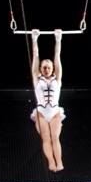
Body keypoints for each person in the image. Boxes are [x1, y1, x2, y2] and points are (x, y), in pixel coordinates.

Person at [30, 28, 65, 172]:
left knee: (55, 138)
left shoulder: (58, 78)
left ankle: (59, 162)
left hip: (55, 111)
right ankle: (51, 162)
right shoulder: (36, 79)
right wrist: (34, 39)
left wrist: (58, 39)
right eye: (44, 67)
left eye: (49, 67)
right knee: (46, 138)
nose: (46, 69)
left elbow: (57, 56)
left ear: (52, 69)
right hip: (42, 112)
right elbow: (35, 56)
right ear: (40, 69)